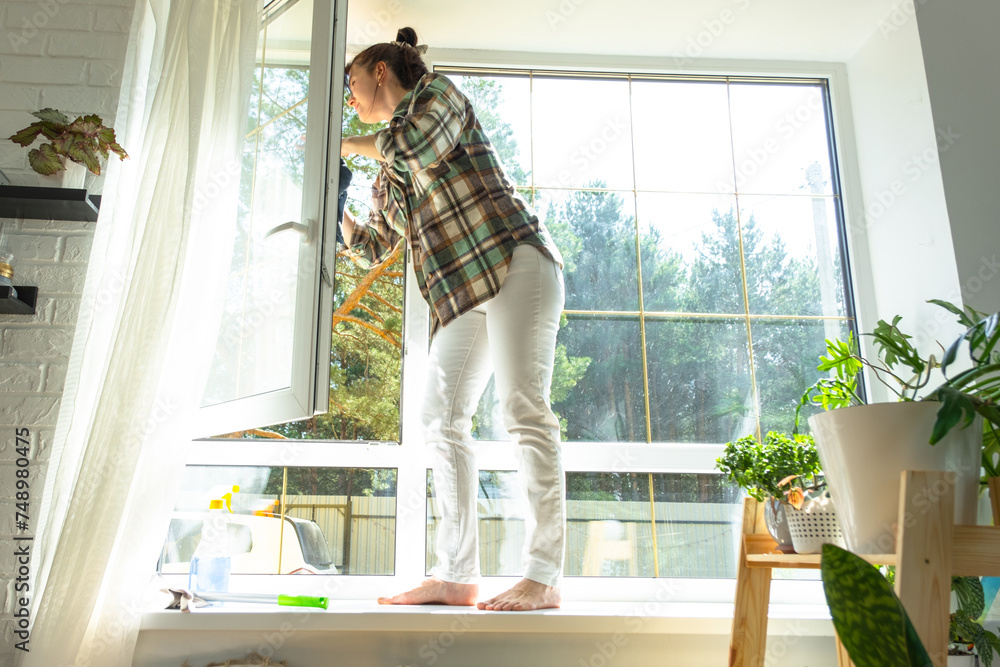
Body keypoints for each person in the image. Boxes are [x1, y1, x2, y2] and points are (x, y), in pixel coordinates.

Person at [340, 27, 566, 612]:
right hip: (464, 290)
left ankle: (543, 576)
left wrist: (343, 144)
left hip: (516, 261)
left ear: (380, 71)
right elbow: (377, 241)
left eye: (352, 83)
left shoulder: (438, 98)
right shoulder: (390, 166)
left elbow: (414, 146)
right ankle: (456, 574)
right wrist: (333, 209)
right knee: (439, 419)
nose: (350, 99)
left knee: (523, 410)